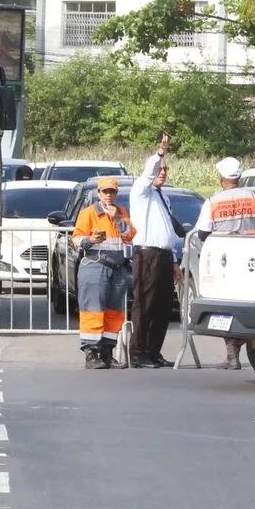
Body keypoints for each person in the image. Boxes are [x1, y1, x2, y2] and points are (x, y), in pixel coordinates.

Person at [193, 157, 255, 369]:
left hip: (224, 262)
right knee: (248, 303)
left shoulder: (213, 201)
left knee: (226, 307)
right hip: (251, 260)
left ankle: (232, 356)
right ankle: (245, 350)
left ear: (221, 178)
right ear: (239, 177)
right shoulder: (253, 196)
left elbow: (202, 232)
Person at [127, 133, 184, 368]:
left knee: (162, 306)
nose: (161, 173)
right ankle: (138, 352)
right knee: (145, 303)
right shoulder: (141, 192)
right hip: (146, 254)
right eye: (159, 170)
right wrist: (160, 152)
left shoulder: (164, 198)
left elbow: (169, 232)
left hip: (163, 255)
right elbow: (149, 171)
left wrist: (173, 261)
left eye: (165, 170)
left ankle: (153, 351)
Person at [71, 176, 136, 368]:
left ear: (116, 193)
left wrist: (118, 218)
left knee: (113, 313)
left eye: (112, 191)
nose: (109, 195)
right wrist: (89, 240)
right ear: (99, 193)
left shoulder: (121, 211)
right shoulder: (89, 213)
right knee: (93, 311)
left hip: (118, 269)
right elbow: (76, 239)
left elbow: (130, 235)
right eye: (105, 191)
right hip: (95, 267)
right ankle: (91, 354)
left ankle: (107, 353)